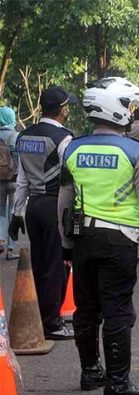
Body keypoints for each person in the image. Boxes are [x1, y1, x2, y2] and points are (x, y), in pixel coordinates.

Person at [58, 77, 139, 395]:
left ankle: (90, 371)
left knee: (86, 308)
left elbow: (64, 203)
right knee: (117, 309)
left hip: (82, 239)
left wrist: (66, 243)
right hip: (119, 240)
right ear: (118, 109)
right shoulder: (136, 154)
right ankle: (118, 384)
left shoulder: (73, 149)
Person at [8, 86, 77, 340]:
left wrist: (17, 212)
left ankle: (42, 316)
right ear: (62, 110)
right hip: (55, 206)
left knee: (39, 264)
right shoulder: (64, 139)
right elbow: (71, 179)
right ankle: (52, 323)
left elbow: (23, 177)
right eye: (67, 106)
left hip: (33, 207)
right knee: (57, 264)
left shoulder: (24, 136)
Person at [0, 106, 20, 259]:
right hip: (14, 180)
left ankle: (0, 240)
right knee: (13, 212)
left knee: (0, 212)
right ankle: (11, 250)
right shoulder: (17, 136)